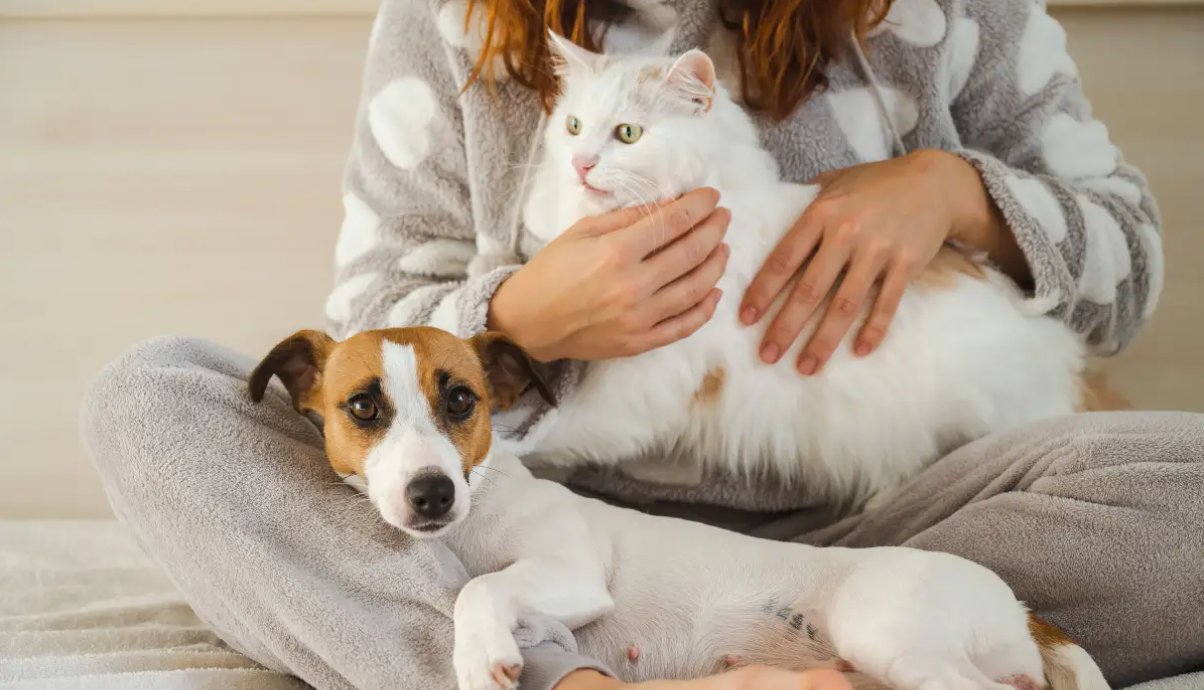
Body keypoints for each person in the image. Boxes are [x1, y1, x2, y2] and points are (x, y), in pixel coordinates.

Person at [80, 0, 1204, 688]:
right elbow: (371, 323)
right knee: (152, 403)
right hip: (528, 533)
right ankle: (570, 680)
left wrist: (955, 192)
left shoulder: (946, 13)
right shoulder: (449, 20)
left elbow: (1131, 261)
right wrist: (520, 321)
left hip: (892, 532)